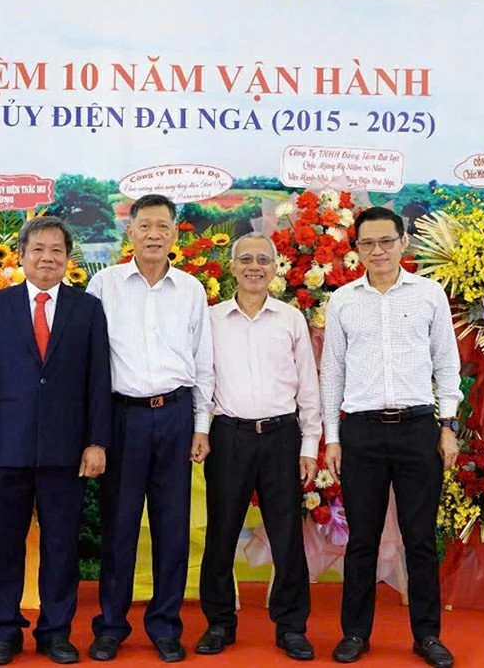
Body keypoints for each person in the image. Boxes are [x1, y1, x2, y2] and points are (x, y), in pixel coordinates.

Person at [0, 216, 112, 665]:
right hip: (5, 449)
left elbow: (98, 380)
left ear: (68, 258)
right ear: (23, 255)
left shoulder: (86, 309)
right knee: (5, 544)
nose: (48, 258)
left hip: (67, 453)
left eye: (57, 251)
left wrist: (96, 441)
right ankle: (5, 631)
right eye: (39, 250)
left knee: (61, 546)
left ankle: (55, 631)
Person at [321, 207, 460, 668]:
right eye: (367, 243)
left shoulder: (429, 295)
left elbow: (447, 363)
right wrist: (332, 437)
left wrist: (449, 426)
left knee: (419, 538)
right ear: (356, 248)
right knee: (361, 538)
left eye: (386, 241)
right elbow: (331, 373)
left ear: (403, 242)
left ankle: (427, 635)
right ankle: (355, 633)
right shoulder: (343, 300)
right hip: (360, 432)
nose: (377, 251)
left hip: (419, 429)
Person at [85, 193, 215, 663]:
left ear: (175, 234)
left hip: (177, 416)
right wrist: (95, 433)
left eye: (163, 226)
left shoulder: (192, 290)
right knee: (119, 526)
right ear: (131, 232)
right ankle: (111, 626)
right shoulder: (105, 285)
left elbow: (203, 361)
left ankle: (165, 624)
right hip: (122, 417)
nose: (154, 235)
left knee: (171, 528)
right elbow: (92, 365)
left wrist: (201, 424)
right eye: (145, 226)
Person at [196, 233, 320, 661]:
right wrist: (200, 429)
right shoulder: (211, 319)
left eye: (263, 260)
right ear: (231, 267)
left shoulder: (290, 319)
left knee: (287, 537)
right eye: (244, 258)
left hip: (282, 437)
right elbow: (202, 382)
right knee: (221, 533)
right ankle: (218, 623)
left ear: (275, 268)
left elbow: (309, 387)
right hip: (228, 436)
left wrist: (310, 445)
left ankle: (291, 627)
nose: (254, 266)